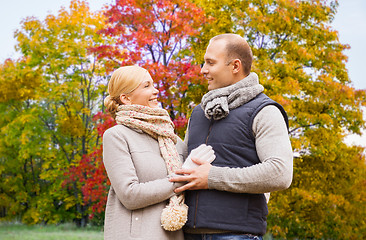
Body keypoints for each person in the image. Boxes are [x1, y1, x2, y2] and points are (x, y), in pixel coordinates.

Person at [170, 33, 293, 240]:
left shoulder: (264, 111)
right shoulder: (199, 113)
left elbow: (279, 172)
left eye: (210, 62)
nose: (203, 70)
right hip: (188, 234)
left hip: (237, 235)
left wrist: (212, 178)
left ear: (235, 66)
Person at [102, 65, 188, 240]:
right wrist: (182, 181)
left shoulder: (173, 140)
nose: (156, 90)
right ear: (126, 98)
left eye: (154, 85)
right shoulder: (116, 136)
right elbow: (129, 195)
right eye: (147, 86)